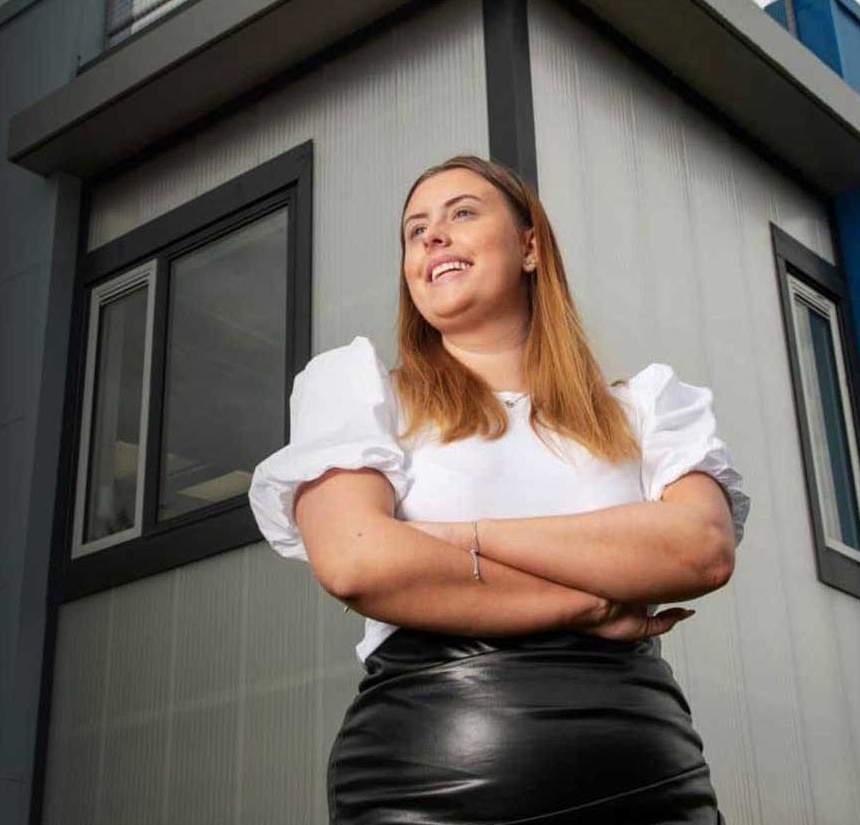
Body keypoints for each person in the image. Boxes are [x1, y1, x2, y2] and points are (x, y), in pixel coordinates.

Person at [248, 153, 750, 824]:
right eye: (414, 229)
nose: (432, 236)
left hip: (647, 781)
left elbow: (699, 552)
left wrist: (453, 540)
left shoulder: (649, 407)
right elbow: (359, 561)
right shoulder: (356, 389)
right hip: (424, 781)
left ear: (529, 247)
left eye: (461, 213)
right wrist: (596, 601)